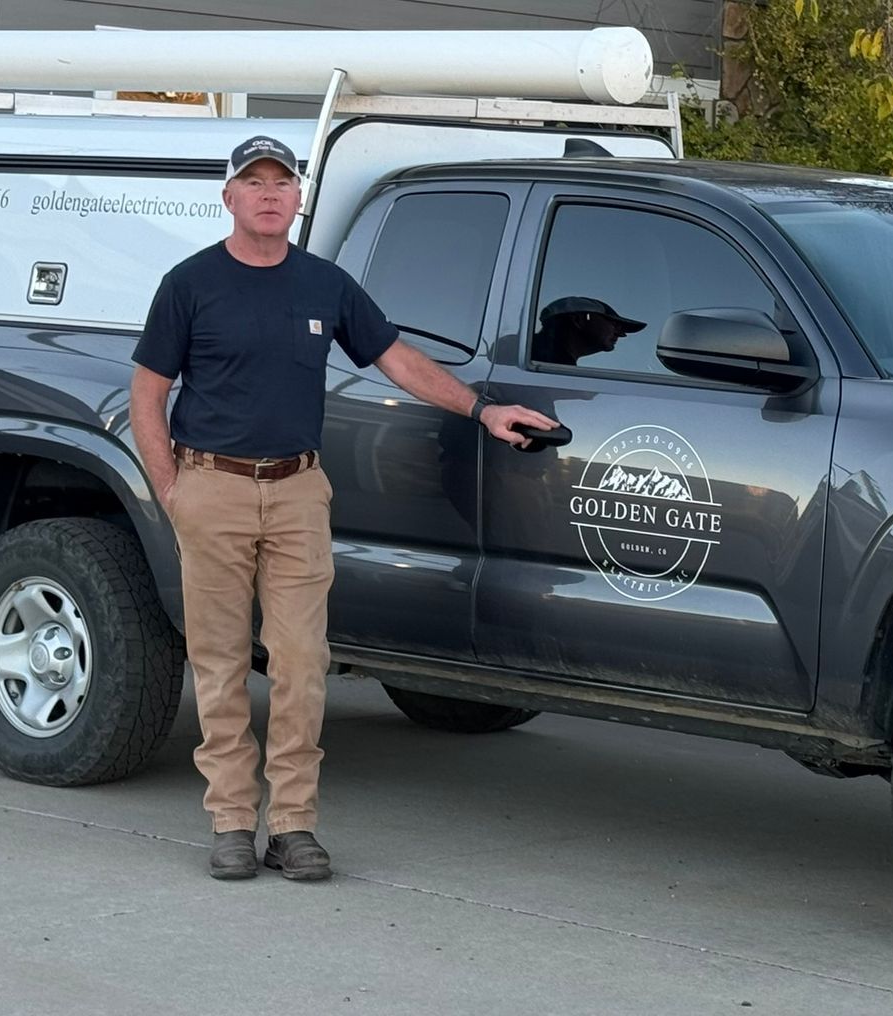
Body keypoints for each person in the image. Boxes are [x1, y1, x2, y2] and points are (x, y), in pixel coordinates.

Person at [128, 135, 557, 881]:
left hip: (298, 492)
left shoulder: (326, 286)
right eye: (253, 182)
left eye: (282, 182)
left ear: (299, 199)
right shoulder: (189, 284)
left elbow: (399, 360)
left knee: (301, 663)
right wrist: (174, 492)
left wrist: (481, 410)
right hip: (212, 490)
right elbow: (147, 394)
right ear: (228, 197)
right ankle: (232, 821)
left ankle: (293, 825)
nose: (268, 193)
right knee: (220, 664)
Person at [529, 296, 645, 367]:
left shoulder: (532, 356)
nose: (621, 334)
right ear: (578, 320)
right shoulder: (546, 363)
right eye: (614, 325)